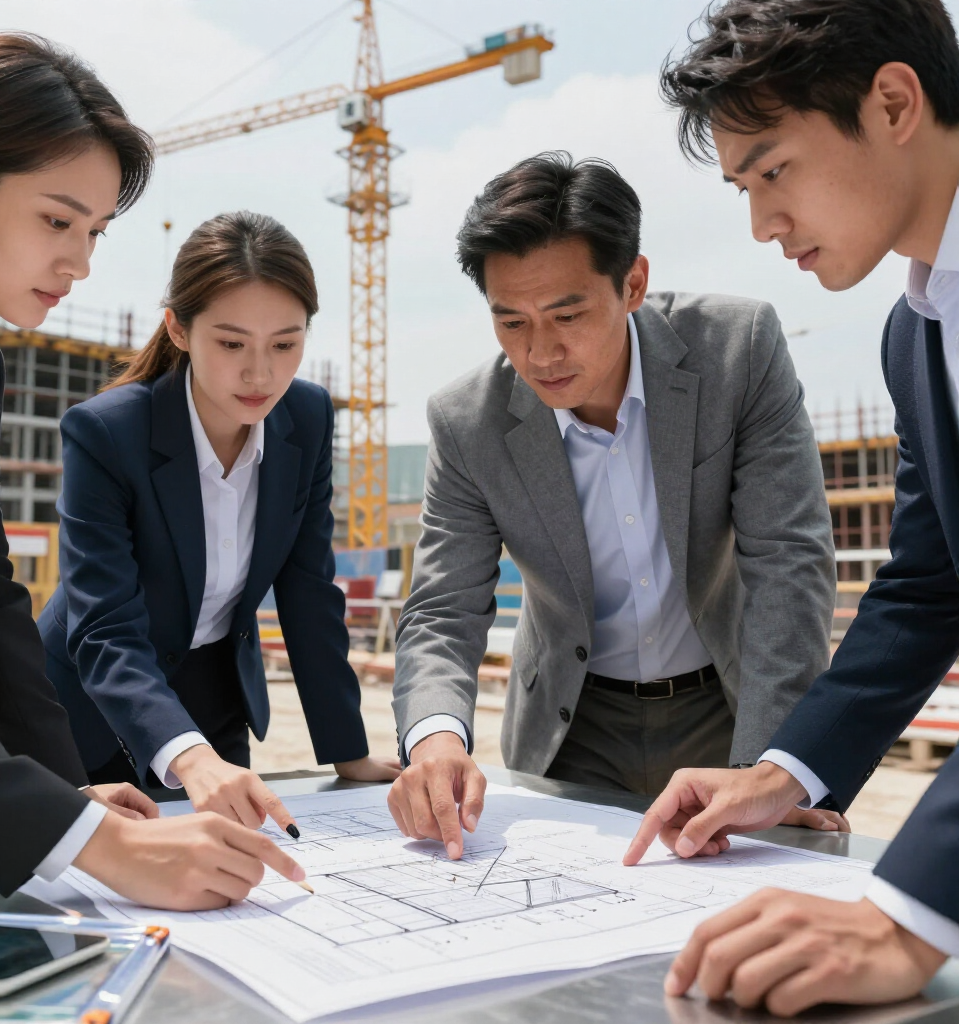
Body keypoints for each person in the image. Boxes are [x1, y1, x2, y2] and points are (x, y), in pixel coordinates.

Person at [623, 0, 959, 1013]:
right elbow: (927, 586)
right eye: (742, 188)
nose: (763, 223)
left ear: (893, 101)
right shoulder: (917, 333)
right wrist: (786, 770)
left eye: (773, 171)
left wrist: (909, 912)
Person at [0, 32, 305, 910]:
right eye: (56, 220)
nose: (81, 262)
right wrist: (91, 843)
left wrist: (65, 798)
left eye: (94, 230)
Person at [388, 151, 844, 859]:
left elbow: (789, 562)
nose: (541, 353)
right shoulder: (465, 421)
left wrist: (771, 765)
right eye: (510, 322)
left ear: (633, 284)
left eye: (567, 314)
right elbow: (445, 605)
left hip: (726, 705)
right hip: (572, 725)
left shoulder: (736, 351)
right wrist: (435, 737)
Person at [39, 210, 400, 827]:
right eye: (231, 343)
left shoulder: (306, 417)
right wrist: (187, 756)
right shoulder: (107, 432)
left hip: (215, 696)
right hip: (90, 705)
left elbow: (309, 590)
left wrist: (348, 752)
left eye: (285, 344)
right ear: (178, 330)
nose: (261, 374)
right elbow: (103, 624)